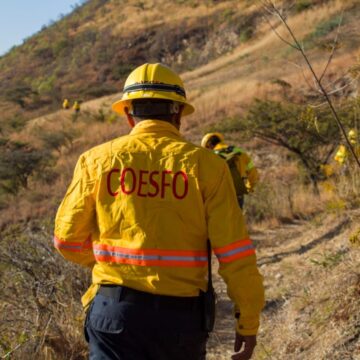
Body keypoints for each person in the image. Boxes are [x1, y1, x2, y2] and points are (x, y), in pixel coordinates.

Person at [54, 63, 264, 360]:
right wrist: (248, 320)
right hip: (180, 320)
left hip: (114, 313)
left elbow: (66, 241)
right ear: (178, 113)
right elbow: (234, 254)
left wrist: (111, 265)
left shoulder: (96, 161)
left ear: (128, 114)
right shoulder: (208, 167)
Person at [201, 133, 259, 209]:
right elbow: (253, 172)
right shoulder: (239, 152)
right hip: (237, 194)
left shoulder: (209, 157)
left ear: (209, 145)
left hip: (218, 198)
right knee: (237, 220)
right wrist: (249, 187)